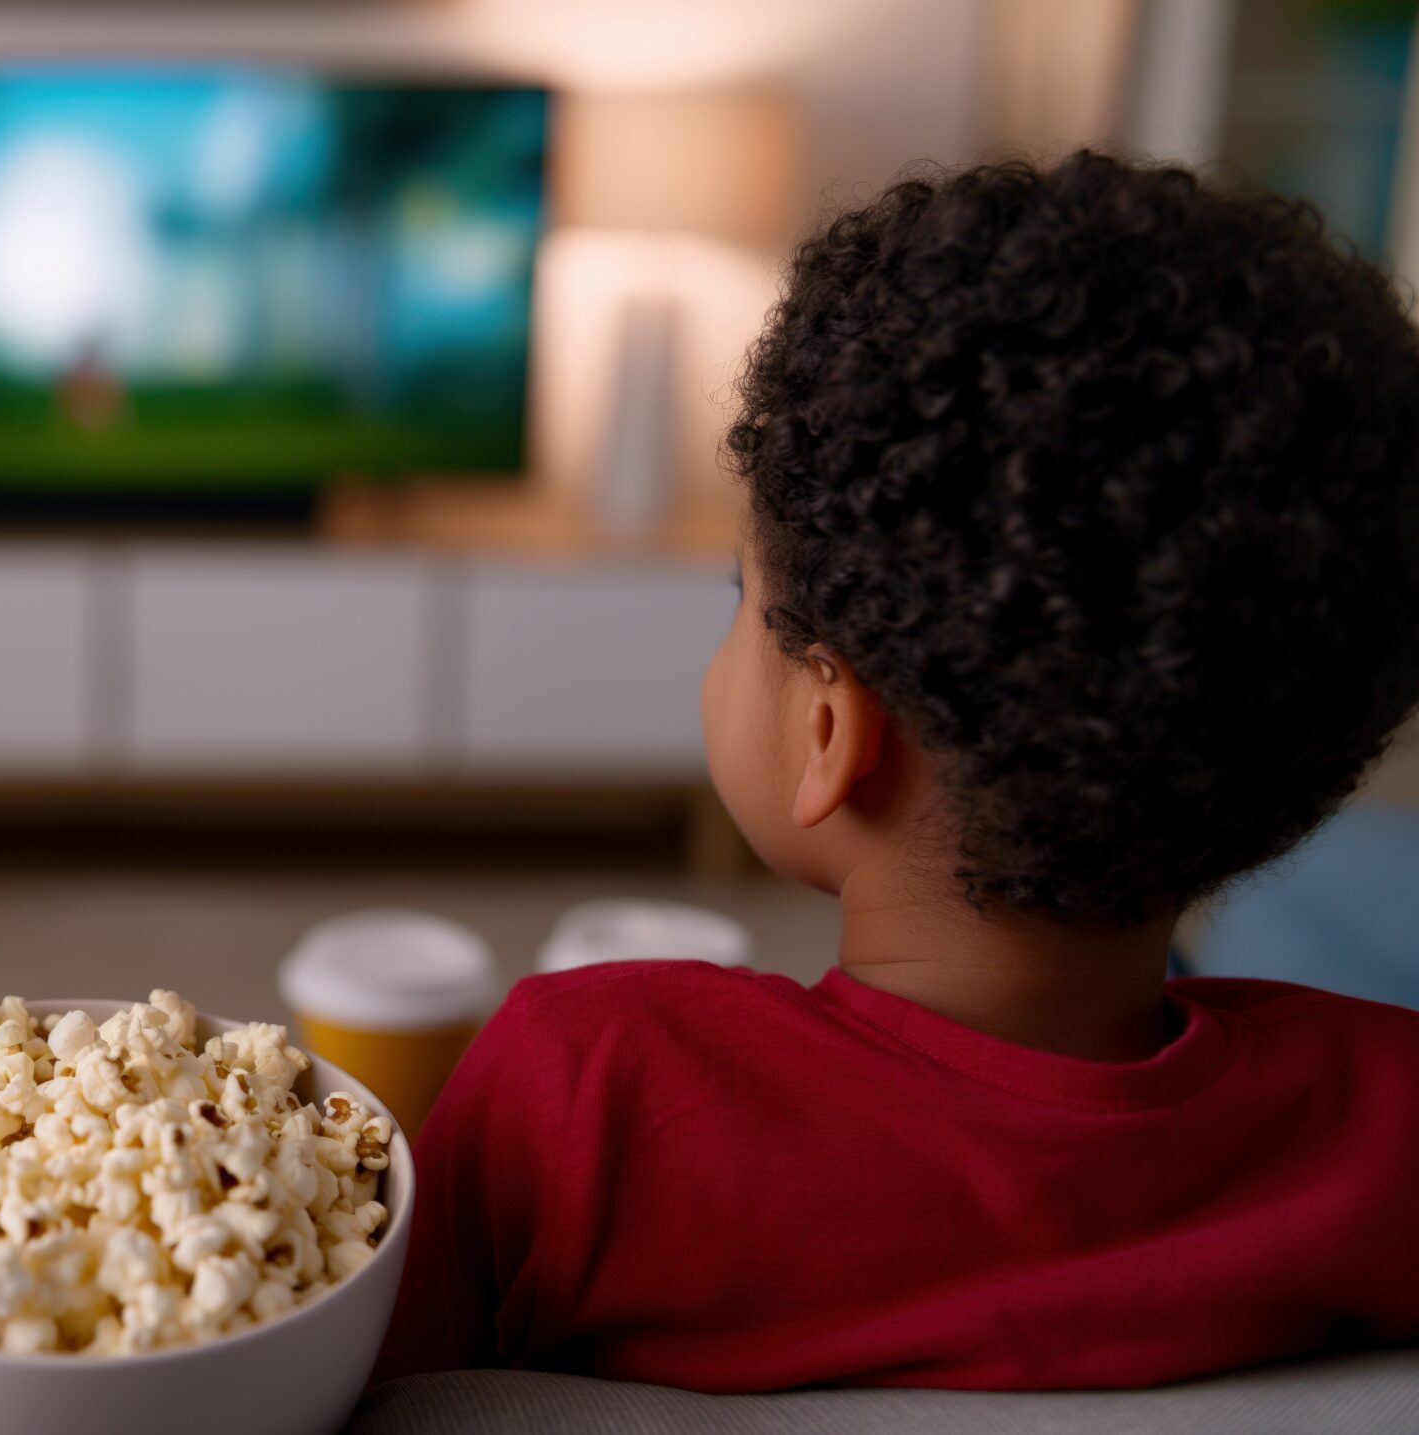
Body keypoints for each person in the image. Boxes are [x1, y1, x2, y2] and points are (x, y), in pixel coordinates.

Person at [376, 153, 1419, 1391]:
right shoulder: (1390, 1119)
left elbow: (380, 1393)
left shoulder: (584, 1087)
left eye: (739, 597)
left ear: (832, 734)